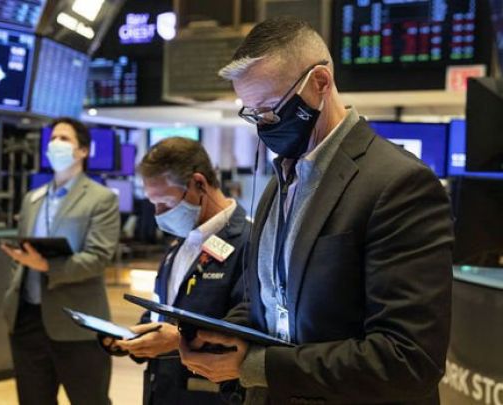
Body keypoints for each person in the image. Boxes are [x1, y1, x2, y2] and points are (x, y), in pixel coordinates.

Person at [180, 17, 454, 404]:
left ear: (320, 82)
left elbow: (408, 359)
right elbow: (270, 303)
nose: (263, 127)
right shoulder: (279, 182)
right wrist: (219, 335)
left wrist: (259, 366)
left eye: (271, 110)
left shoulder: (400, 184)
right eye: (253, 114)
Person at [102, 137, 250, 404]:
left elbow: (249, 330)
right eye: (153, 204)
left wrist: (179, 339)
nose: (158, 214)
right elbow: (163, 309)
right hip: (162, 389)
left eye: (166, 204)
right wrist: (136, 337)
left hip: (211, 395)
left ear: (198, 184)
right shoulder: (181, 242)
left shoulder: (250, 242)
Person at [1, 117, 120, 405]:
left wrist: (47, 267)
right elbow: (22, 252)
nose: (56, 144)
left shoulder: (101, 198)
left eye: (64, 138)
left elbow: (98, 258)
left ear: (83, 151)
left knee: (89, 400)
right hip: (27, 319)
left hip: (77, 321)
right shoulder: (33, 198)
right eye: (53, 138)